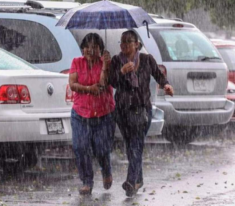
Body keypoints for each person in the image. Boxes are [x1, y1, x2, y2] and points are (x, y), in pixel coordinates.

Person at [102, 30, 174, 197]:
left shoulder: (147, 60)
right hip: (122, 111)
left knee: (136, 145)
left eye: (128, 42)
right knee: (131, 146)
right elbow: (111, 82)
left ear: (137, 44)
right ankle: (138, 180)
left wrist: (167, 85)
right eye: (122, 42)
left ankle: (130, 180)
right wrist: (121, 72)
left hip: (141, 109)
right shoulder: (116, 60)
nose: (124, 46)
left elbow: (159, 75)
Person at [69, 33, 115, 195]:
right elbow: (73, 85)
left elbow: (103, 84)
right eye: (87, 46)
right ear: (82, 49)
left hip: (103, 113)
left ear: (101, 49)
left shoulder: (106, 64)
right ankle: (87, 181)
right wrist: (89, 89)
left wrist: (105, 66)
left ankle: (106, 171)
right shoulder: (76, 62)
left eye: (95, 47)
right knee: (80, 147)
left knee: (102, 149)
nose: (90, 50)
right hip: (80, 113)